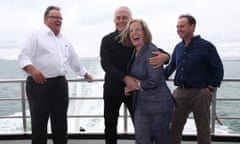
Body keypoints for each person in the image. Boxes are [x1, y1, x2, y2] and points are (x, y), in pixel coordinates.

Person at [18, 6, 93, 144]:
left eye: (60, 18)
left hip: (60, 85)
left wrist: (85, 74)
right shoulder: (36, 35)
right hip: (40, 84)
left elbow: (73, 60)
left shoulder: (64, 40)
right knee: (39, 125)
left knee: (60, 125)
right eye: (55, 17)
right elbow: (23, 57)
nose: (58, 20)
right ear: (46, 19)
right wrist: (33, 71)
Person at [100, 6, 170, 144]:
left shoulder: (136, 38)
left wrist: (167, 57)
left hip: (134, 91)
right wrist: (125, 78)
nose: (121, 20)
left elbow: (157, 51)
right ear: (114, 20)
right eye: (118, 18)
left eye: (124, 17)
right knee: (110, 126)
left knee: (140, 126)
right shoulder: (107, 40)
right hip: (113, 89)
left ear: (130, 20)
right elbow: (106, 64)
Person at [164, 14, 224, 144]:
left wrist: (210, 88)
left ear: (192, 26)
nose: (179, 29)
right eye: (177, 26)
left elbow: (218, 68)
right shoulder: (178, 47)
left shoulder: (207, 46)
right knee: (174, 128)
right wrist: (153, 78)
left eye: (182, 26)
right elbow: (170, 68)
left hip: (200, 93)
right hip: (180, 93)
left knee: (203, 129)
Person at [121, 19, 174, 144]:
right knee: (141, 139)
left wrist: (133, 86)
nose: (134, 33)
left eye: (137, 29)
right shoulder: (135, 50)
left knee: (162, 140)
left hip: (158, 105)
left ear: (145, 32)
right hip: (141, 105)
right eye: (131, 31)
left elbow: (153, 81)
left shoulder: (151, 51)